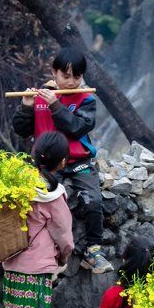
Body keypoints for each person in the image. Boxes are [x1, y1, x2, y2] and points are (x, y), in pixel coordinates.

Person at [12, 46, 113, 275]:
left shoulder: (86, 99)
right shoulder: (40, 97)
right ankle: (43, 252)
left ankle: (93, 251)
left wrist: (56, 105)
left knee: (93, 200)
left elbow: (78, 128)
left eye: (77, 77)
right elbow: (21, 130)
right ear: (54, 73)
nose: (71, 82)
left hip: (78, 161)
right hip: (46, 164)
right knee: (37, 203)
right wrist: (26, 106)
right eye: (66, 76)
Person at [2, 131, 74, 308]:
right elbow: (64, 234)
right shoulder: (52, 195)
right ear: (62, 161)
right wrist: (64, 257)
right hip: (35, 263)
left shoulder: (20, 184)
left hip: (12, 256)